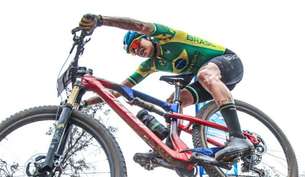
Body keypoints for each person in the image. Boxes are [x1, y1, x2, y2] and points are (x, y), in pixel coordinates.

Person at [78, 15, 253, 162]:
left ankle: (237, 137)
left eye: (138, 44)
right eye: (133, 51)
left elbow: (138, 25)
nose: (137, 50)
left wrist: (101, 20)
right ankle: (174, 145)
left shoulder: (165, 36)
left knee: (204, 74)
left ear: (146, 37)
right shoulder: (151, 64)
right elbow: (119, 90)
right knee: (175, 102)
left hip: (228, 62)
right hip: (207, 78)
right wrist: (85, 103)